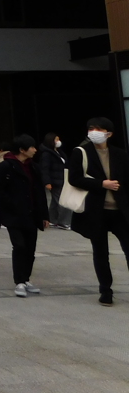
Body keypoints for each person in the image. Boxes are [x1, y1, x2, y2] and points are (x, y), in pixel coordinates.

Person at [68, 117, 129, 307]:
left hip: (120, 212)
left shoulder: (120, 154)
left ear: (109, 133)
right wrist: (101, 184)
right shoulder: (81, 152)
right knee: (100, 253)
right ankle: (105, 290)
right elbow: (74, 178)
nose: (94, 131)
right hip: (97, 211)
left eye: (99, 129)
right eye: (91, 128)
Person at [0, 134, 49, 298]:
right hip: (13, 215)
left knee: (30, 248)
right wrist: (12, 203)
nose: (35, 150)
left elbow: (40, 193)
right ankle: (19, 282)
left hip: (32, 214)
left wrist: (44, 215)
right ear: (22, 150)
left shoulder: (34, 167)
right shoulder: (6, 166)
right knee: (20, 246)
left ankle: (26, 279)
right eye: (32, 147)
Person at [38, 133, 71, 230]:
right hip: (55, 181)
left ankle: (52, 219)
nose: (58, 141)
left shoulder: (58, 152)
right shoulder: (46, 154)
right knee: (64, 202)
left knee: (55, 202)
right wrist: (47, 182)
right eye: (56, 140)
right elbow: (44, 169)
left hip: (62, 180)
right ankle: (64, 222)